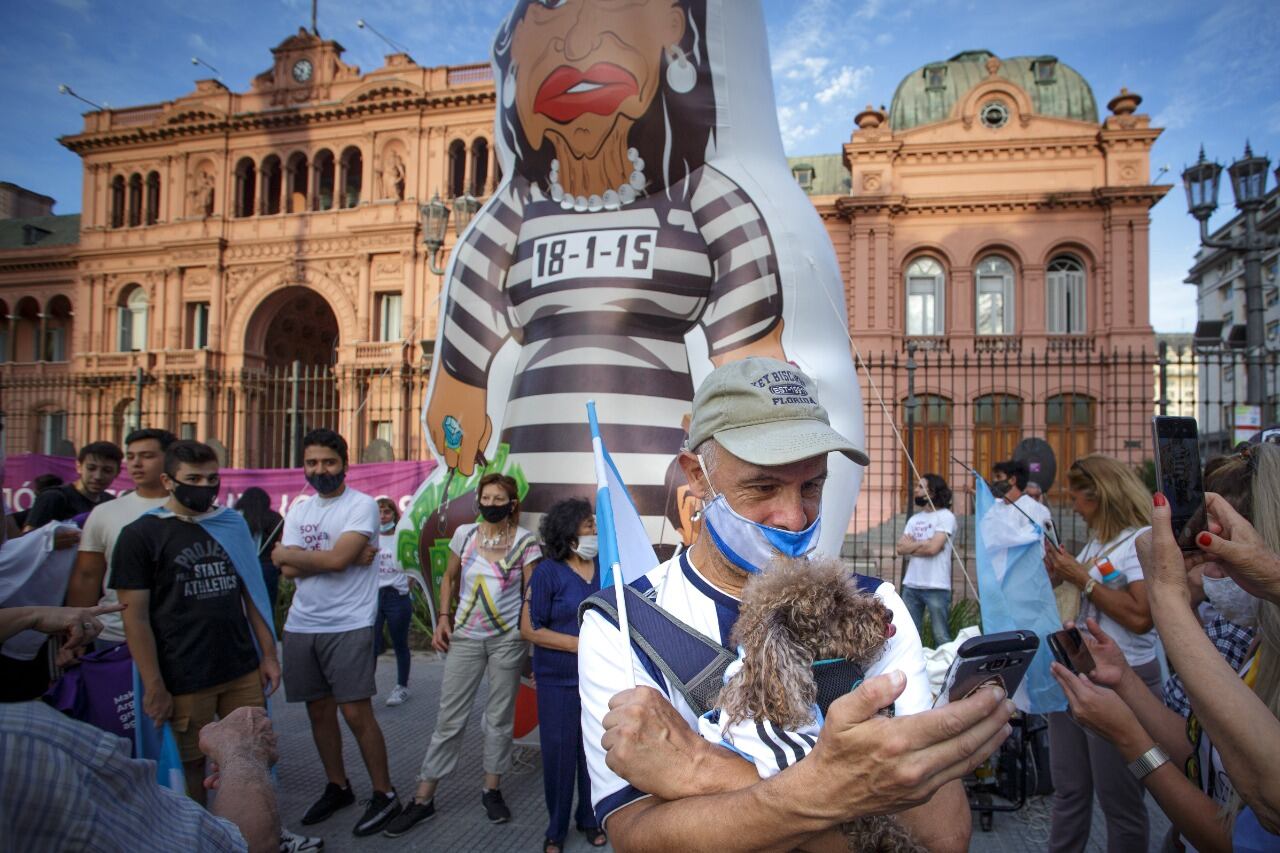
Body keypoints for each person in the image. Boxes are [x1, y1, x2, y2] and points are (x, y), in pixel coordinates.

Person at [577, 357, 1012, 853]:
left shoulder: (871, 608)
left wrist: (701, 767)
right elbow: (638, 835)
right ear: (698, 477)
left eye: (812, 485)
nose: (793, 516)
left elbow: (941, 836)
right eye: (762, 487)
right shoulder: (623, 622)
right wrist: (846, 789)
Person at [1051, 443, 1280, 851]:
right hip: (1121, 677)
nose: (1204, 570)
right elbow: (1204, 753)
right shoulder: (1259, 648)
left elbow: (1257, 812)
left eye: (1213, 548)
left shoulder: (1243, 635)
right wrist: (1122, 680)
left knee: (1120, 807)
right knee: (1075, 793)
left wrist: (1167, 598)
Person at [0, 600, 281, 853]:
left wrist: (30, 614)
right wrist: (244, 756)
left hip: (230, 663)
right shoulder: (29, 740)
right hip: (186, 676)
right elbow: (241, 847)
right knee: (191, 768)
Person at [110, 440, 280, 802]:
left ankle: (255, 832)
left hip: (240, 667)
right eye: (193, 478)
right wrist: (154, 685)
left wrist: (268, 655)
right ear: (169, 481)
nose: (204, 486)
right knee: (191, 765)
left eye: (212, 478)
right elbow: (135, 618)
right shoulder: (140, 536)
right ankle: (201, 833)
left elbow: (252, 594)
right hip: (184, 676)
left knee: (252, 755)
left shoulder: (230, 524)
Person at [384, 473, 542, 838]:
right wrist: (442, 617)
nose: (490, 504)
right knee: (449, 719)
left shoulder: (525, 541)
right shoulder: (465, 535)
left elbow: (531, 591)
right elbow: (448, 578)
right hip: (467, 639)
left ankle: (492, 789)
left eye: (498, 498)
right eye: (485, 497)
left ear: (511, 503)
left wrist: (530, 638)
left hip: (507, 641)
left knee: (501, 718)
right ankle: (424, 797)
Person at [273, 428, 400, 836]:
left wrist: (297, 556)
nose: (320, 470)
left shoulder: (361, 506)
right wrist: (322, 558)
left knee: (355, 711)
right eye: (312, 463)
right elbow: (290, 569)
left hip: (349, 622)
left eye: (328, 462)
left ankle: (385, 793)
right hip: (301, 624)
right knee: (318, 711)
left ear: (344, 464)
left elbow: (333, 561)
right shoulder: (299, 509)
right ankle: (337, 785)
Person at [1041, 454, 1157, 852]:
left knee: (1119, 802)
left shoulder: (1141, 540)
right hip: (1078, 674)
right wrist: (1062, 575)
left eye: (1077, 497)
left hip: (1123, 681)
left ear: (1101, 496)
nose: (1072, 506)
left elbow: (1141, 616)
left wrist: (1083, 579)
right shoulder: (1099, 541)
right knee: (1069, 791)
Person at [521, 497, 604, 853]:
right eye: (589, 526)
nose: (595, 531)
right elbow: (530, 629)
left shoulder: (603, 568)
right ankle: (555, 829)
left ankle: (590, 818)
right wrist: (578, 645)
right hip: (557, 680)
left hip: (597, 680)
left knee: (593, 754)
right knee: (558, 754)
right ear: (570, 533)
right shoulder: (546, 573)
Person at [67, 428, 177, 652]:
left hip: (177, 636)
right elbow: (87, 576)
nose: (136, 463)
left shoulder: (193, 512)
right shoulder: (104, 512)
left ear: (170, 459)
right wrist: (77, 630)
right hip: (114, 635)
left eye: (147, 456)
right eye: (131, 456)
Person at [895, 474, 956, 646]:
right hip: (912, 585)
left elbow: (933, 549)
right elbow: (900, 548)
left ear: (933, 491)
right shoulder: (915, 519)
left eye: (921, 487)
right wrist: (926, 543)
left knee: (941, 636)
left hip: (936, 585)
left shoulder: (946, 517)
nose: (916, 490)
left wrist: (914, 545)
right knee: (910, 637)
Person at [23, 440, 122, 531]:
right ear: (79, 467)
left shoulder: (111, 503)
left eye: (107, 471)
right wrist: (53, 542)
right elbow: (28, 540)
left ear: (117, 473)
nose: (98, 476)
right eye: (91, 468)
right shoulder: (53, 497)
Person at [373, 497, 413, 707]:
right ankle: (365, 688)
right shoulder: (369, 538)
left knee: (400, 643)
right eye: (379, 513)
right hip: (374, 597)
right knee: (371, 645)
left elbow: (412, 563)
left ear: (394, 515)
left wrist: (408, 585)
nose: (382, 517)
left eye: (386, 513)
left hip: (397, 597)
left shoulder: (401, 537)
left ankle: (402, 686)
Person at [235, 486, 285, 613]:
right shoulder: (275, 518)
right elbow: (282, 542)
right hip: (267, 567)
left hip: (242, 566)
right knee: (267, 608)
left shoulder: (237, 519)